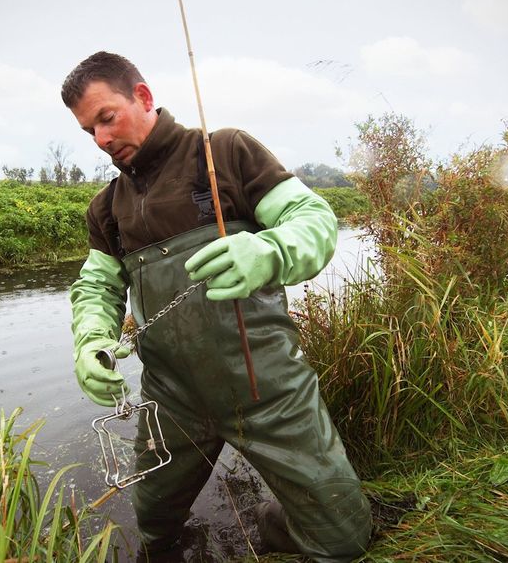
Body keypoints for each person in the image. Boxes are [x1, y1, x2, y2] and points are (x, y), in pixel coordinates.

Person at [62, 51, 371, 562]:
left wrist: (271, 250)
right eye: (88, 131)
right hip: (171, 398)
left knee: (344, 541)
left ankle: (276, 521)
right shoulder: (105, 209)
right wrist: (91, 339)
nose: (101, 140)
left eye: (106, 118)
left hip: (268, 389)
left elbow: (312, 218)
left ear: (142, 96)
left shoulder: (226, 152)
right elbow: (97, 288)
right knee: (154, 527)